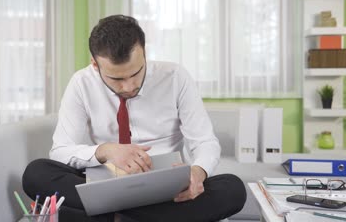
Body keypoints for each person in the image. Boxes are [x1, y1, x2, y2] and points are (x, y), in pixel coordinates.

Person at [23, 15, 246, 222]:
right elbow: (60, 151)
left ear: (144, 53)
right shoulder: (81, 83)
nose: (129, 86)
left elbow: (205, 142)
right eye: (116, 78)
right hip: (106, 183)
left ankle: (112, 215)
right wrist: (106, 150)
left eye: (136, 73)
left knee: (233, 189)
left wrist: (197, 173)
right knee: (36, 173)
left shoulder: (175, 77)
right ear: (95, 64)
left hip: (165, 188)